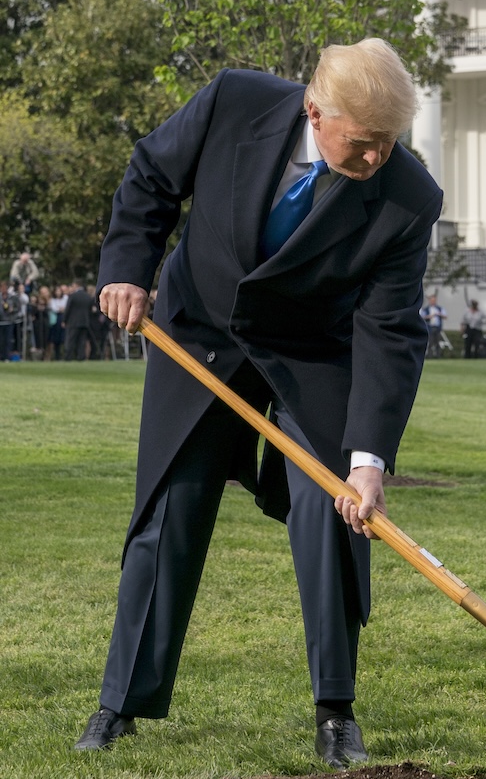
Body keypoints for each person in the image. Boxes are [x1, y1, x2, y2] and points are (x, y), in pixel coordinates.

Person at [73, 38, 442, 770]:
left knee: (332, 506)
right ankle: (121, 702)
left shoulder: (408, 195)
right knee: (170, 507)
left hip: (312, 354)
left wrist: (367, 461)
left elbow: (388, 329)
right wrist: (127, 269)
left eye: (389, 144)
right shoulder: (233, 100)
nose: (376, 161)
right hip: (198, 331)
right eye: (363, 144)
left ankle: (336, 713)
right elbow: (151, 175)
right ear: (315, 111)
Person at [62, 280, 93, 361]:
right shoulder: (87, 296)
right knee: (82, 340)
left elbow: (68, 309)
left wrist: (64, 320)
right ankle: (81, 356)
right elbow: (90, 310)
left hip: (73, 322)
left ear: (76, 285)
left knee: (71, 340)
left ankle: (68, 356)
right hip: (84, 321)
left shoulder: (73, 296)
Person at [420, 293, 447, 357]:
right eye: (432, 300)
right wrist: (429, 316)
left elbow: (445, 316)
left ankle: (438, 355)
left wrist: (439, 314)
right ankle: (430, 355)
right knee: (430, 342)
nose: (433, 302)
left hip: (437, 327)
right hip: (430, 327)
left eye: (434, 300)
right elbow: (422, 317)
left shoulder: (439, 308)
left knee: (437, 342)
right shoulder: (426, 309)